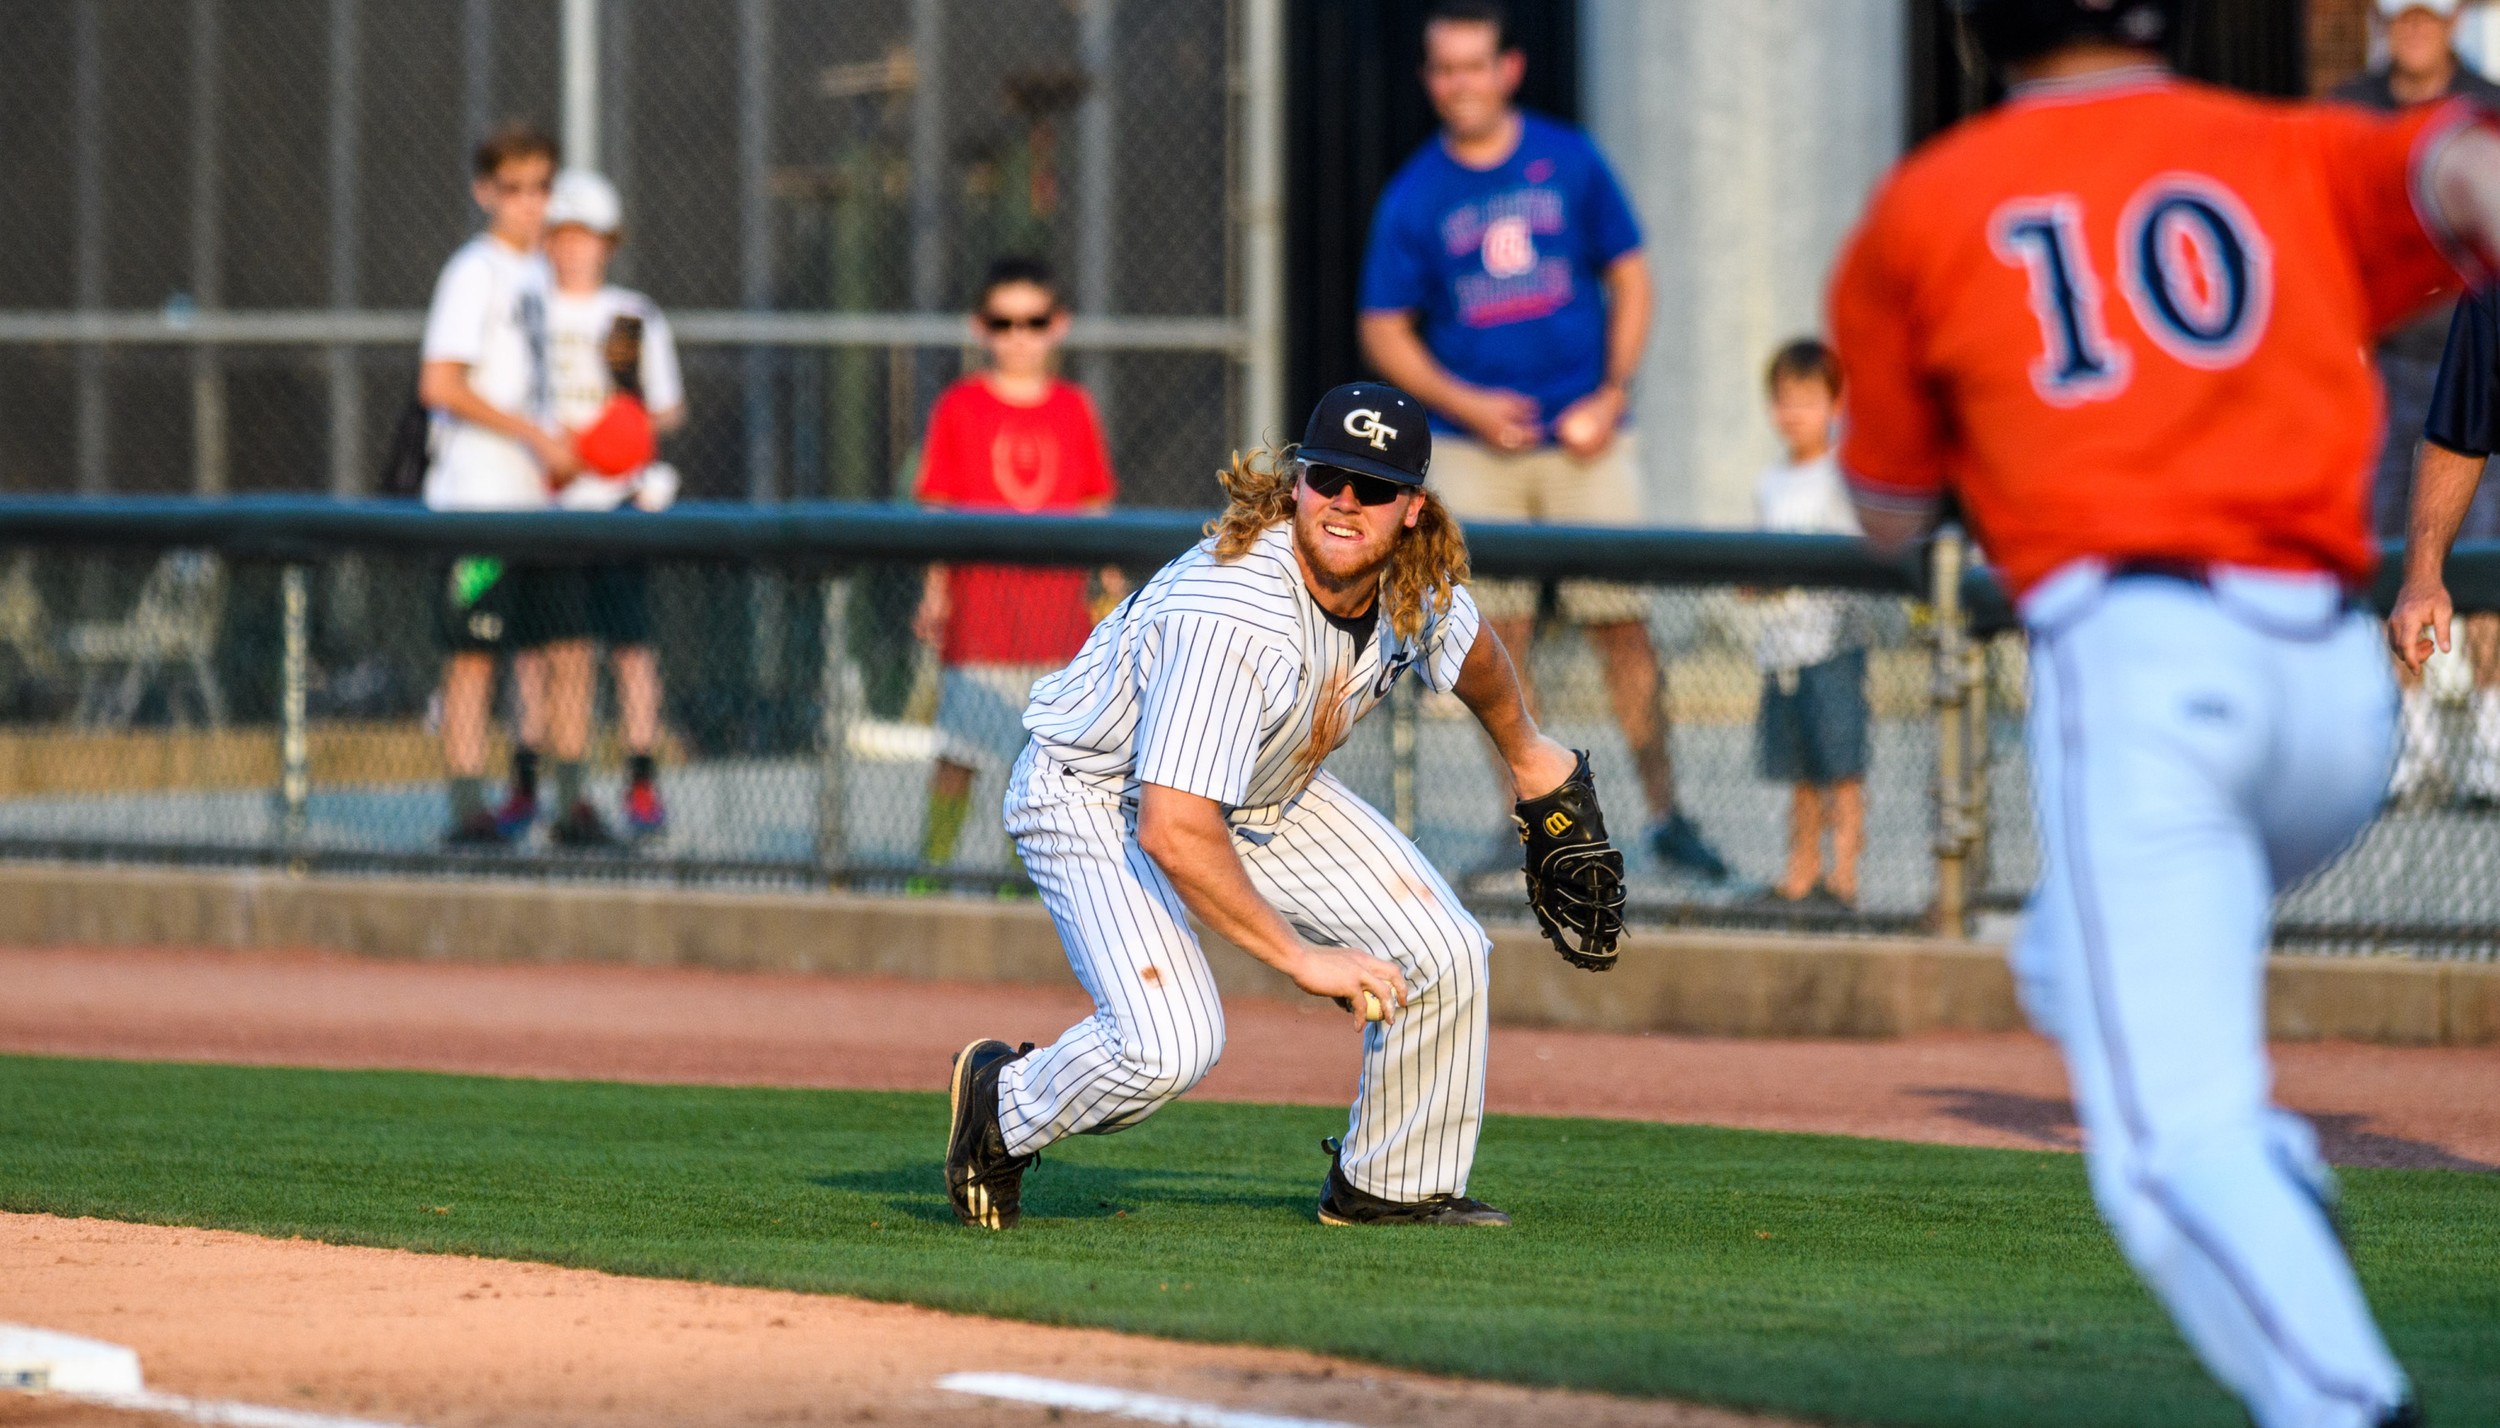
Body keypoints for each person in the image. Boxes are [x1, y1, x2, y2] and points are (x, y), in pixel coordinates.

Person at [1832, 0, 2500, 1421]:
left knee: (2161, 1150)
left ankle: (2346, 1398)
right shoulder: (2282, 145)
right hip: (2331, 685)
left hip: (2147, 677)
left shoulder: (1929, 203)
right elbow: (2458, 175)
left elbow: (1889, 511)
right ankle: (2278, 1198)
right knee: (2064, 965)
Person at [944, 383, 1614, 1231]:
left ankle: (1388, 1186)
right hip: (1097, 796)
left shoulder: (1413, 578)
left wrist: (1528, 754)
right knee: (1168, 1046)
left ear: (1412, 508)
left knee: (1445, 953)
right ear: (1297, 482)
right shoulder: (1234, 613)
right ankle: (1003, 1106)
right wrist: (1304, 958)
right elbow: (1174, 828)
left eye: (1373, 488)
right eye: (1328, 476)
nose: (1346, 503)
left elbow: (1473, 650)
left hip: (1261, 787)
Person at [1355, 0, 1728, 882]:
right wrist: (1467, 404)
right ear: (1429, 79)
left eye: (1475, 65)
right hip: (1480, 448)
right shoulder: (1417, 192)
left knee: (1622, 628)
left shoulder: (1569, 160)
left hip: (1581, 439)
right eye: (1445, 69)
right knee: (1496, 641)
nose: (1461, 85)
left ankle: (1668, 813)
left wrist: (1612, 393)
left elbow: (1631, 277)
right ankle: (1529, 822)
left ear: (1507, 70)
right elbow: (1385, 327)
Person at [2330, 0, 2500, 804]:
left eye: (2428, 17)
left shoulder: (2485, 107)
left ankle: (2492, 737)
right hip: (2388, 362)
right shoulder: (2348, 113)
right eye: (2402, 19)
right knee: (2400, 552)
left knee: (2490, 555)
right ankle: (2416, 742)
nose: (2415, 30)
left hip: (2466, 346)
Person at [912, 257, 1119, 882]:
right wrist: (934, 592)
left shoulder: (1073, 407)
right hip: (980, 614)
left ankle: (1022, 878)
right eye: (1004, 323)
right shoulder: (959, 406)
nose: (1019, 337)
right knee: (961, 751)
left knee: (1038, 758)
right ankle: (931, 868)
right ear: (981, 329)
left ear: (1058, 326)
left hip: (1056, 615)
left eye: (1033, 321)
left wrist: (1110, 588)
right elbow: (937, 506)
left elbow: (1094, 504)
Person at [511, 168, 687, 845]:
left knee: (631, 649)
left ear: (608, 244)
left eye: (590, 237)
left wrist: (618, 437)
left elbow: (666, 411)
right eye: (565, 235)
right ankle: (543, 787)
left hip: (614, 505)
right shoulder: (528, 306)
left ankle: (641, 781)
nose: (576, 249)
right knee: (547, 655)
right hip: (540, 504)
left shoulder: (632, 317)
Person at [418, 122, 575, 847]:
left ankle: (535, 796)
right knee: (474, 655)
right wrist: (526, 431)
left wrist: (558, 442)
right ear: (486, 193)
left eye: (540, 187)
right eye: (512, 189)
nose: (528, 203)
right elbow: (439, 382)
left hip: (531, 501)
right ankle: (464, 806)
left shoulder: (542, 273)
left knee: (543, 652)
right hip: (476, 503)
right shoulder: (473, 271)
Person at [1749, 340, 1866, 908]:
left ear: (1835, 404)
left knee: (1840, 765)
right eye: (1784, 400)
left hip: (1832, 646)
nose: (1793, 413)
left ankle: (1843, 874)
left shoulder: (1843, 475)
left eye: (1807, 400)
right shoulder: (1770, 482)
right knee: (1797, 770)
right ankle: (1801, 869)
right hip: (1782, 650)